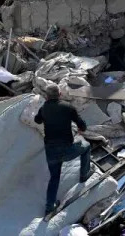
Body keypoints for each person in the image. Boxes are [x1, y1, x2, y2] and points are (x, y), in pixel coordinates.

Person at [34, 84, 90, 215]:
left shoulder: (44, 108)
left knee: (54, 177)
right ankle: (83, 175)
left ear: (47, 96)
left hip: (51, 151)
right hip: (66, 150)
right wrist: (80, 128)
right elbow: (82, 126)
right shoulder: (68, 107)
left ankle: (49, 206)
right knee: (86, 147)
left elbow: (37, 121)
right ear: (60, 94)